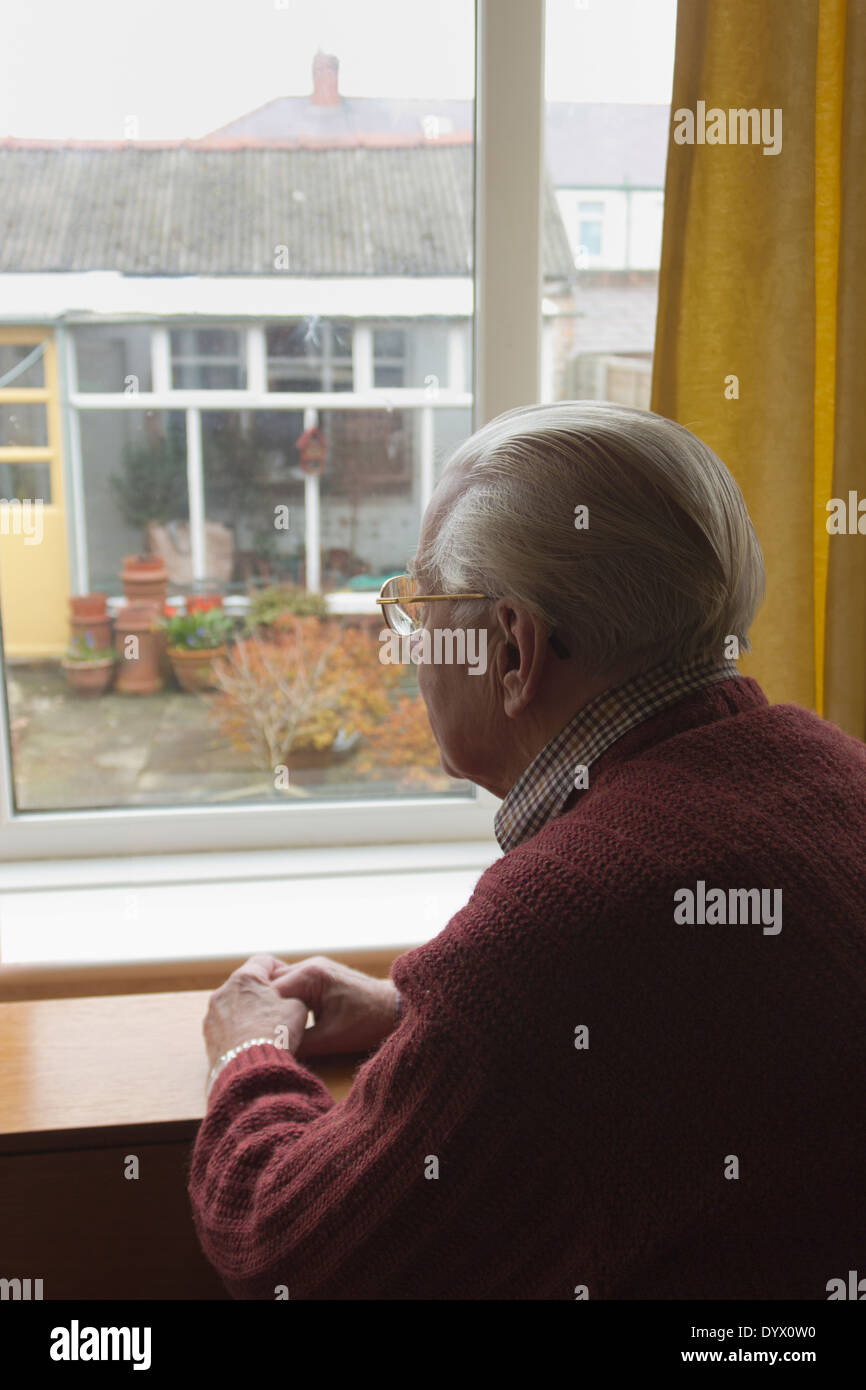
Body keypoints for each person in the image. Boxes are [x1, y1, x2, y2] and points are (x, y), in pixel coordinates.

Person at [189, 401, 866, 1300]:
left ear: (514, 649)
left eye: (421, 607)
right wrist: (415, 1021)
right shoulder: (838, 775)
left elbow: (292, 1255)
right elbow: (693, 1048)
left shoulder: (569, 918)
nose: (410, 644)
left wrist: (249, 1058)